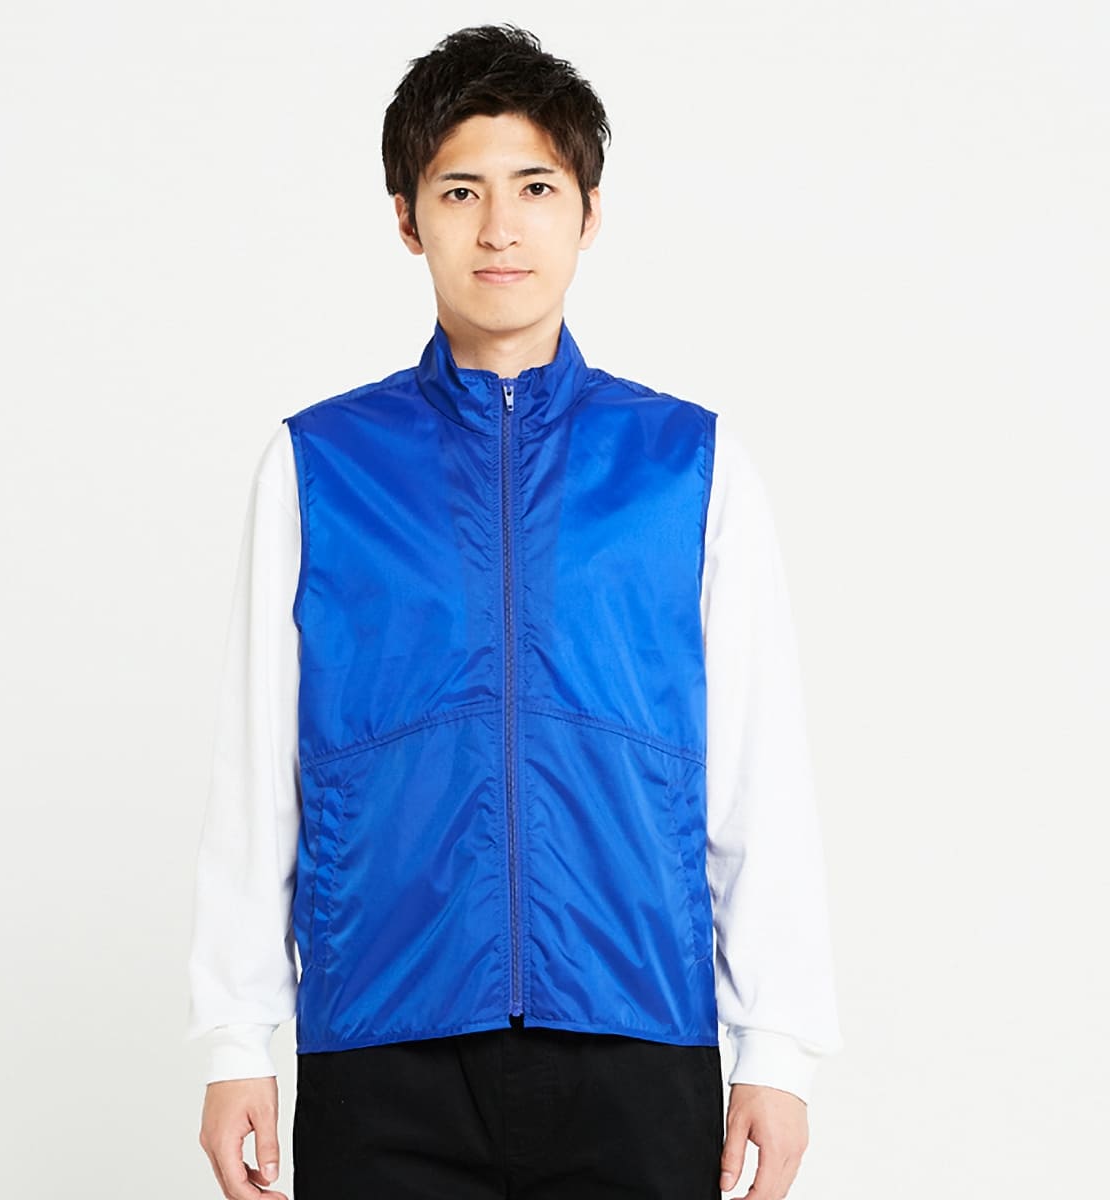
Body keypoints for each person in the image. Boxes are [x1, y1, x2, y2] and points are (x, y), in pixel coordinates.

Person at [187, 23, 842, 1200]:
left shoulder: (689, 467)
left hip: (636, 1037)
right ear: (407, 218)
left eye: (536, 188)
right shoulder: (317, 466)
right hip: (383, 1044)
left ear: (589, 213)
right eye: (461, 191)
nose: (500, 227)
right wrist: (236, 1036)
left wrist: (778, 1047)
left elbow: (757, 767)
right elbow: (257, 763)